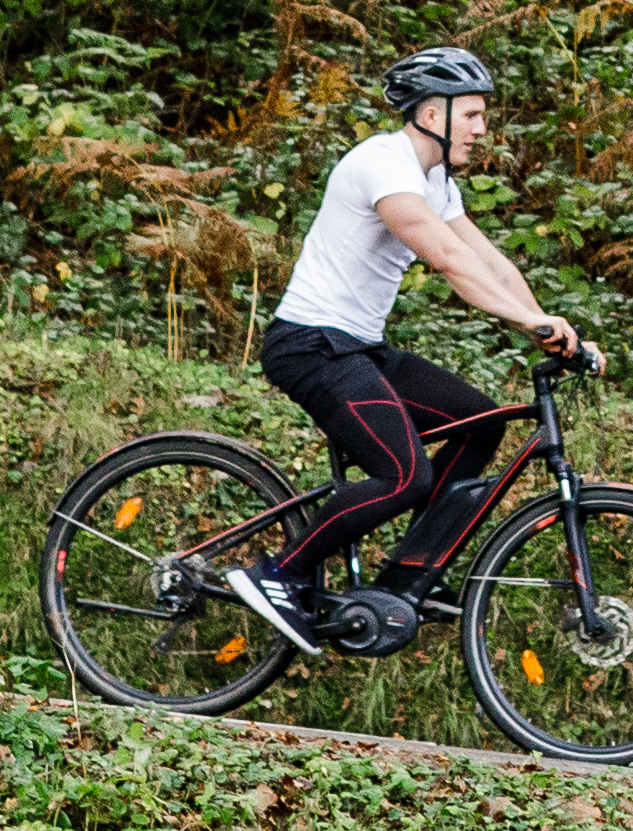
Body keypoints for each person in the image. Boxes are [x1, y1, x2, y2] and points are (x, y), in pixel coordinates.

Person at [247, 44, 589, 659]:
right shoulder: (383, 162)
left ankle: (406, 577)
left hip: (359, 347)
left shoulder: (435, 180)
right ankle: (281, 572)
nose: (483, 129)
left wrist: (550, 325)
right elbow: (448, 259)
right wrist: (533, 323)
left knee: (479, 425)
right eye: (474, 115)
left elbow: (489, 261)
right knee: (403, 474)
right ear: (433, 113)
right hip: (311, 345)